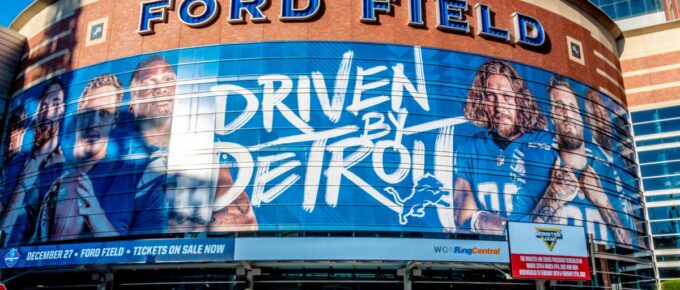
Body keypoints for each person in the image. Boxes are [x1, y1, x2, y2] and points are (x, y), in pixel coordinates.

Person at [128, 56, 257, 233]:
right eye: (149, 83)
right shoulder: (117, 158)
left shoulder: (207, 154)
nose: (161, 89)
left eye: (168, 80)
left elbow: (244, 227)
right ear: (131, 102)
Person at [34, 74, 166, 242]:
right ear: (78, 112)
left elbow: (148, 253)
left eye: (104, 113)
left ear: (114, 120)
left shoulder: (138, 174)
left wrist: (97, 218)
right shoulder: (48, 172)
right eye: (89, 112)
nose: (94, 122)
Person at [453, 59, 555, 234]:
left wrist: (490, 223)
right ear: (481, 101)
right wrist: (512, 231)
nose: (499, 106)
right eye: (490, 96)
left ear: (520, 100)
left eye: (506, 97)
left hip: (542, 253)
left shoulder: (546, 143)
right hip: (491, 254)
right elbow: (462, 217)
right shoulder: (470, 148)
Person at [529, 76, 632, 245]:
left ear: (581, 117)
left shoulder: (607, 170)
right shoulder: (536, 162)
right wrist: (554, 196)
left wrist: (602, 202)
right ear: (552, 117)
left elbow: (630, 244)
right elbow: (526, 243)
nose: (568, 114)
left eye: (572, 108)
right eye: (560, 107)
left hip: (605, 267)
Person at [0, 80, 66, 245]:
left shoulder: (64, 171)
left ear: (62, 110)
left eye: (55, 105)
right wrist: (22, 186)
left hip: (34, 267)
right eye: (43, 107)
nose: (48, 113)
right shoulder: (15, 163)